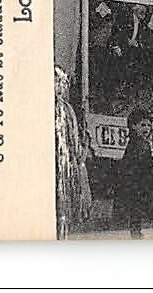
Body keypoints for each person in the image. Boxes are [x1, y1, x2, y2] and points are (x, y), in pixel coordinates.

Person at [54, 66, 92, 239]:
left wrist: (79, 153)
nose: (60, 86)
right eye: (57, 82)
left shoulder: (67, 110)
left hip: (63, 164)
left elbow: (74, 143)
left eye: (62, 82)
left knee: (62, 208)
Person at [116, 108, 153, 239]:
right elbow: (141, 162)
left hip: (134, 180)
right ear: (134, 126)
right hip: (135, 181)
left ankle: (136, 231)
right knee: (137, 207)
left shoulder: (137, 141)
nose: (146, 128)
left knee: (136, 209)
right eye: (143, 125)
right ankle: (136, 233)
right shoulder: (140, 143)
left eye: (148, 125)